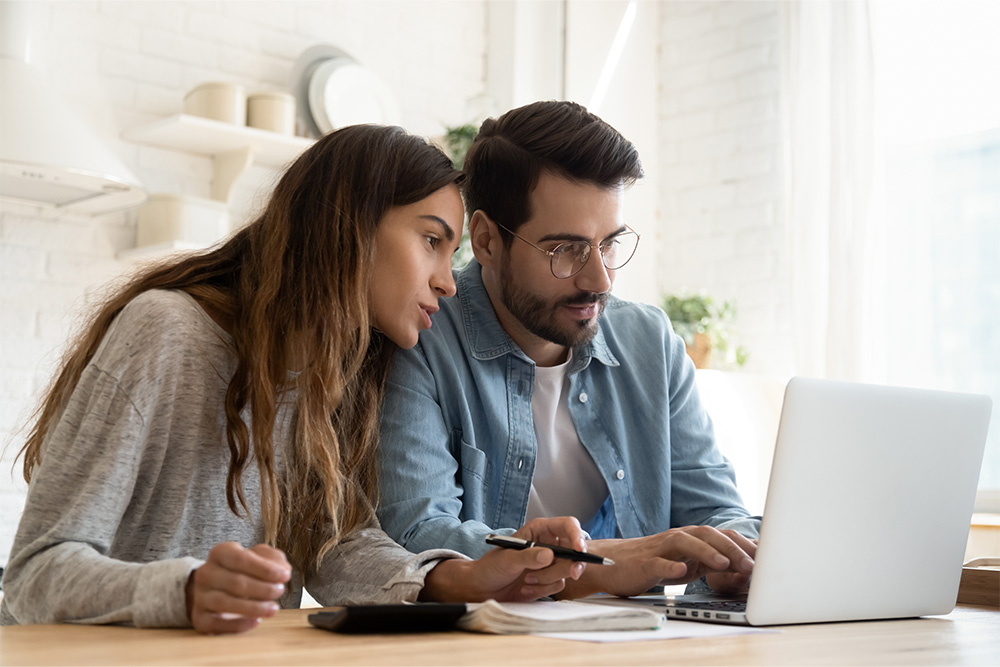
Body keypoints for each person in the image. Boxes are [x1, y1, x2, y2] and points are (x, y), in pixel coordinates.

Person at [0, 124, 589, 634]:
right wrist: (183, 592)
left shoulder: (336, 377)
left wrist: (461, 579)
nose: (448, 282)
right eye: (431, 240)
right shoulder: (167, 332)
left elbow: (336, 547)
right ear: (348, 226)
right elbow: (35, 572)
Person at [376, 101, 760, 599]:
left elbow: (716, 509)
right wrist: (600, 564)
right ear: (488, 241)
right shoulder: (418, 338)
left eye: (610, 244)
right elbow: (417, 535)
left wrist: (735, 557)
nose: (599, 279)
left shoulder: (650, 343)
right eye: (566, 250)